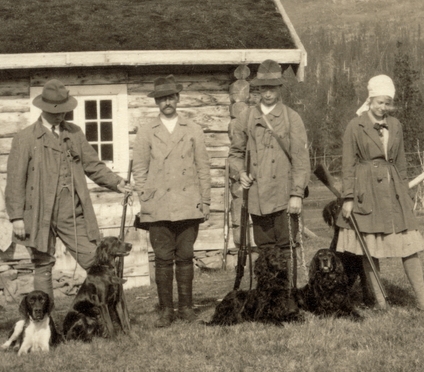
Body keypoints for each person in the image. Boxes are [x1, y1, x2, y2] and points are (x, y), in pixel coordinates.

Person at [6, 80, 132, 298]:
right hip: (37, 214)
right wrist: (16, 217)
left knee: (93, 258)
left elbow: (92, 164)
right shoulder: (25, 138)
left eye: (64, 111)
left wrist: (115, 182)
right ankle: (45, 324)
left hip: (71, 212)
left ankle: (101, 311)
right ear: (43, 108)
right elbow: (15, 180)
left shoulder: (74, 133)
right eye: (56, 111)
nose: (60, 115)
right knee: (43, 264)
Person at [337, 74, 424, 310]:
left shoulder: (396, 125)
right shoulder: (355, 126)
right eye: (379, 102)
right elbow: (347, 165)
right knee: (370, 249)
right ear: (370, 100)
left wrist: (404, 192)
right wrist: (349, 197)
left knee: (410, 244)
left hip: (394, 190)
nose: (383, 108)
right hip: (367, 192)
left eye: (387, 103)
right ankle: (381, 301)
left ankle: (423, 299)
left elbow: (401, 162)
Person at [132, 75, 212, 326]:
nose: (167, 102)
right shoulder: (146, 131)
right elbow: (140, 169)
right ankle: (167, 310)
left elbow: (203, 167)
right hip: (158, 205)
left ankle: (186, 308)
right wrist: (146, 198)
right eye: (161, 98)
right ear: (157, 102)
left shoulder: (193, 129)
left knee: (185, 256)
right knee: (163, 258)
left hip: (188, 202)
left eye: (170, 97)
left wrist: (205, 201)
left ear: (177, 99)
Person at [228, 60, 310, 257]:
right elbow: (235, 154)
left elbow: (301, 161)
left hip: (284, 196)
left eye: (272, 88)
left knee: (285, 249)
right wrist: (241, 172)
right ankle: (268, 289)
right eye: (264, 88)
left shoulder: (292, 118)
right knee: (265, 251)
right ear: (258, 89)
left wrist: (297, 194)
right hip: (258, 197)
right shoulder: (246, 118)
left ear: (279, 88)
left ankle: (287, 289)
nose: (267, 93)